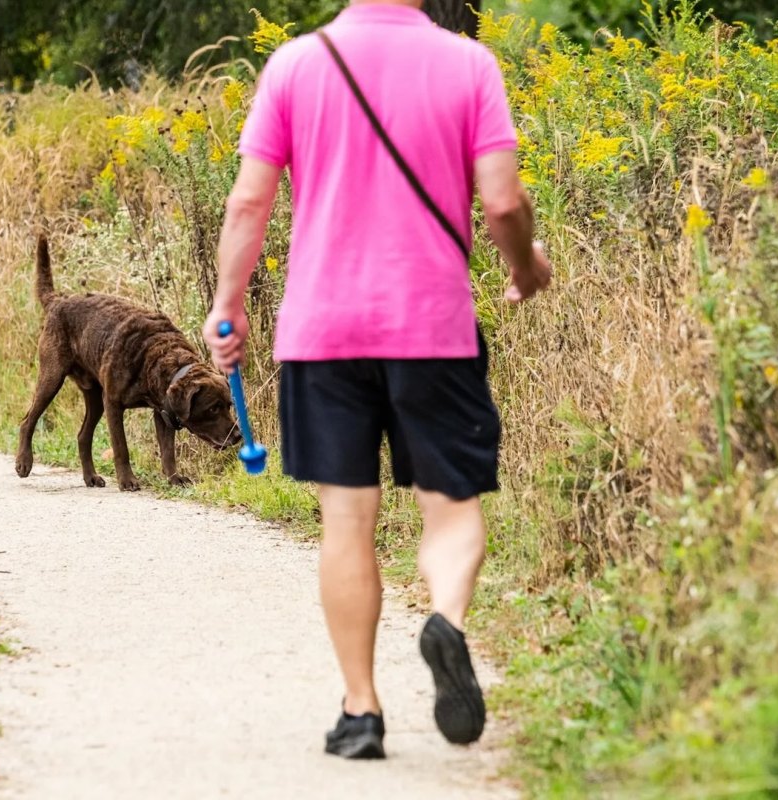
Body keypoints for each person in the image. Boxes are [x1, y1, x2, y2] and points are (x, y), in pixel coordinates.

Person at [203, 0, 552, 760]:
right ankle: (447, 623)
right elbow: (501, 200)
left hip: (322, 333)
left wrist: (227, 308)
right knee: (451, 510)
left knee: (346, 521)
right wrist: (527, 267)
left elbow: (248, 202)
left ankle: (360, 712)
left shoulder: (295, 64)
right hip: (433, 328)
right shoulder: (469, 64)